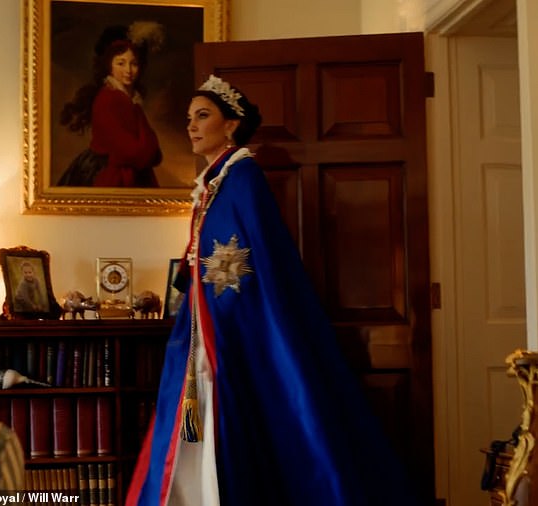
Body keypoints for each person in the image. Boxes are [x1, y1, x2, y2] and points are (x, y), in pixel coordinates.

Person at [125, 75, 422, 506]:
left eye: (202, 116)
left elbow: (256, 260)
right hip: (207, 321)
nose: (191, 126)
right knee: (197, 406)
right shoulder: (215, 182)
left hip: (231, 323)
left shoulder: (242, 178)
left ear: (231, 124)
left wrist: (228, 315)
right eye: (189, 118)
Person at [57, 23, 163, 187]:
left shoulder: (131, 100)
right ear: (109, 66)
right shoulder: (108, 99)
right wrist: (147, 152)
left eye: (134, 64)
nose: (128, 70)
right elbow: (132, 152)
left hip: (131, 171)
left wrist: (147, 151)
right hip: (108, 174)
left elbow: (154, 152)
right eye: (121, 63)